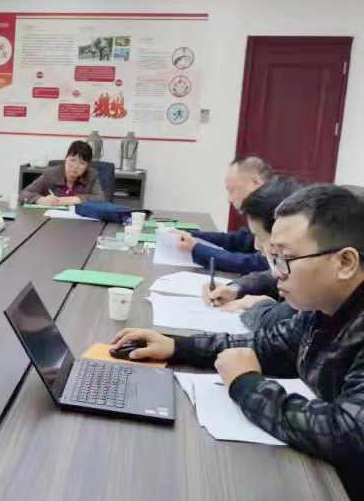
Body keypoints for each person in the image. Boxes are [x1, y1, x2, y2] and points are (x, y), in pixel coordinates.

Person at [112, 184, 364, 498]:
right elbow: (272, 346)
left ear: (345, 263)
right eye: (273, 257)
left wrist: (246, 384)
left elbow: (346, 433)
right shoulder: (324, 307)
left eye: (285, 259)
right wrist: (177, 346)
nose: (276, 274)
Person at [203, 179, 303, 331]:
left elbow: (278, 322)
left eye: (260, 237)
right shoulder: (292, 263)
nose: (256, 245)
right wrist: (236, 289)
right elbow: (269, 277)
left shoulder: (308, 276)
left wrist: (258, 305)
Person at [175, 155, 273, 273]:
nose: (229, 199)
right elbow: (239, 240)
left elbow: (255, 263)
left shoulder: (279, 212)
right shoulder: (262, 211)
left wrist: (195, 249)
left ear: (256, 182)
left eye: (232, 190)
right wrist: (191, 235)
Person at [19, 140, 105, 206]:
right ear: (66, 158)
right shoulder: (50, 174)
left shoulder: (91, 176)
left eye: (82, 163)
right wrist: (40, 200)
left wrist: (77, 199)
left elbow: (101, 199)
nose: (75, 166)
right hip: (51, 220)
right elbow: (23, 193)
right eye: (72, 160)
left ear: (87, 166)